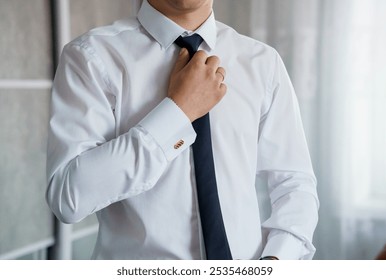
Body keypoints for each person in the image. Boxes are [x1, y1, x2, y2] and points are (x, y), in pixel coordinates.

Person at [46, 0, 319, 260]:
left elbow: (294, 184)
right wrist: (179, 112)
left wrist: (275, 260)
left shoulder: (263, 63)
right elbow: (68, 197)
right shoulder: (93, 57)